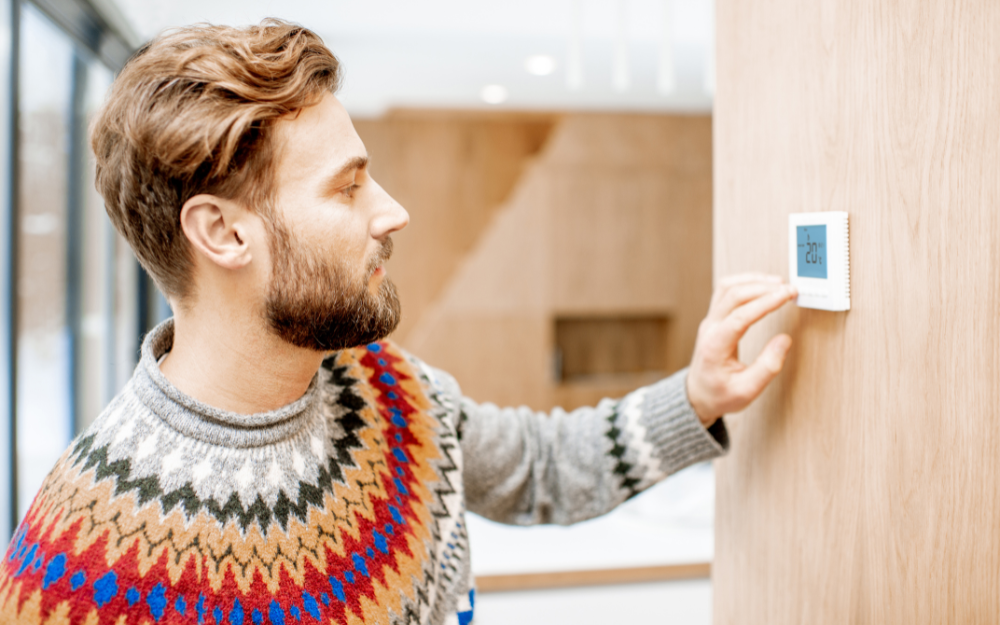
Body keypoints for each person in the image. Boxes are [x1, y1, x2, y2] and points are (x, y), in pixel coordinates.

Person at [0, 20, 796, 625]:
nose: (394, 212)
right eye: (347, 188)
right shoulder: (76, 568)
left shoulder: (384, 385)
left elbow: (542, 468)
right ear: (223, 233)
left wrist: (697, 395)